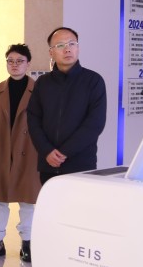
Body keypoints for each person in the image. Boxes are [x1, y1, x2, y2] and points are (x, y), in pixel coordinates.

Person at [0, 44, 40, 263]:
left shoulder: (38, 89)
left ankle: (26, 243)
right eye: (10, 61)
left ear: (28, 64)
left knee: (27, 201)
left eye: (19, 61)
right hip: (0, 150)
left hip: (28, 151)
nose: (14, 65)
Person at [28, 27, 107, 192]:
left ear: (78, 48)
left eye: (72, 43)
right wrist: (47, 151)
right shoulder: (42, 83)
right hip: (48, 165)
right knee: (52, 207)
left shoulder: (93, 81)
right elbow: (33, 119)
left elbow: (95, 124)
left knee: (80, 207)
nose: (67, 49)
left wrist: (64, 152)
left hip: (81, 165)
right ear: (51, 52)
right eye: (60, 45)